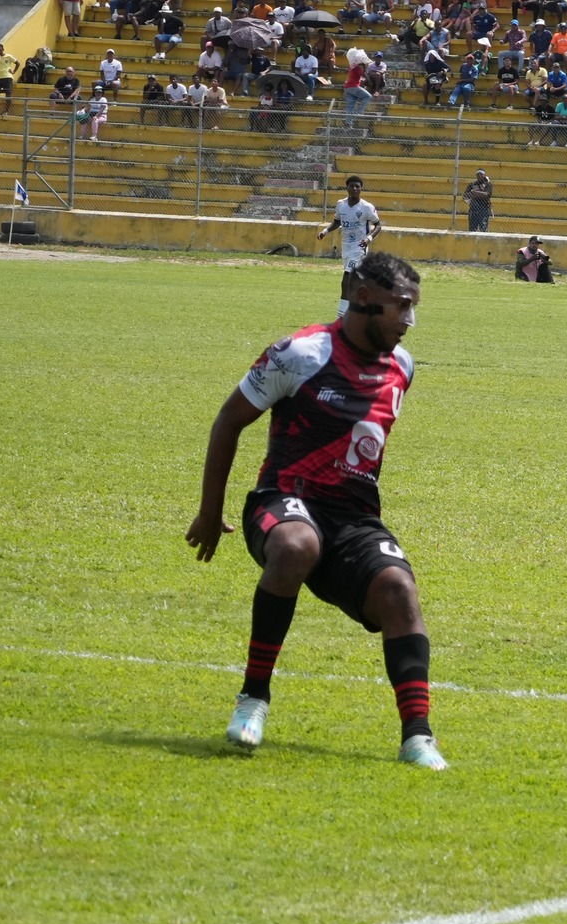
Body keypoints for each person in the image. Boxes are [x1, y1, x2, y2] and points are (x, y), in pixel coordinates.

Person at [186, 249, 445, 771]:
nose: (410, 322)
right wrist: (210, 511)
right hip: (283, 500)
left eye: (414, 308)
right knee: (296, 543)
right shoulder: (300, 353)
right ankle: (253, 699)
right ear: (364, 298)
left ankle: (417, 737)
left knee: (399, 590)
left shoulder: (403, 367)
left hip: (352, 519)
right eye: (402, 307)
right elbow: (228, 421)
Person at [318, 176, 382, 317]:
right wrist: (325, 231)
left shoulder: (366, 207)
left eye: (357, 186)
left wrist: (369, 238)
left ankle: (341, 315)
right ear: (347, 188)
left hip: (359, 247)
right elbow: (337, 222)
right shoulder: (341, 204)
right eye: (352, 186)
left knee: (346, 278)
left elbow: (378, 225)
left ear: (361, 189)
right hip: (346, 246)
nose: (354, 189)